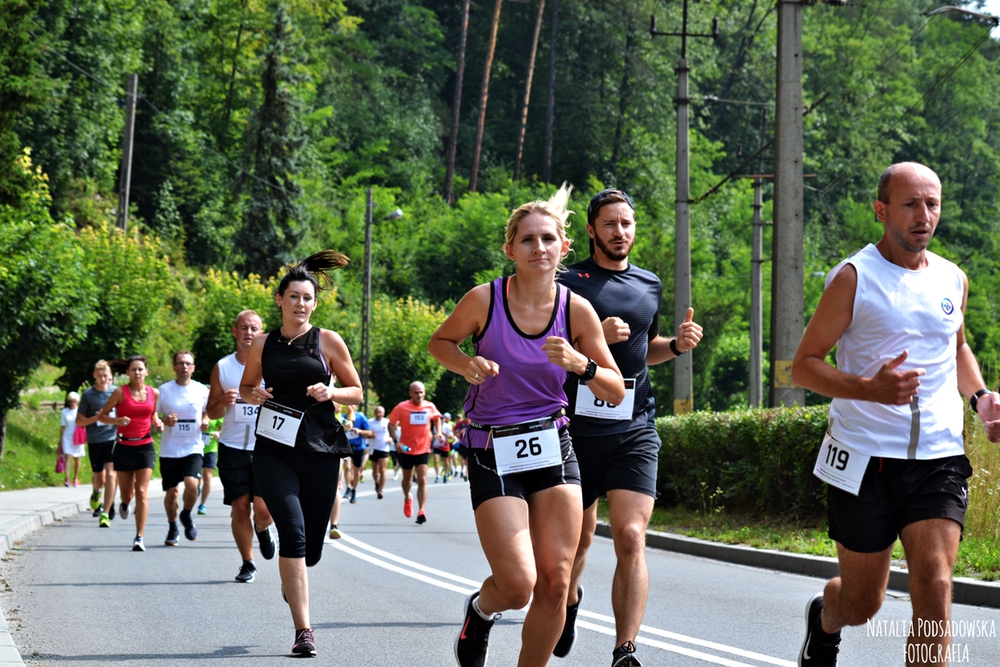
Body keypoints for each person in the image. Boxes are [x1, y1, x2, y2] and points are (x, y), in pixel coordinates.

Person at [790, 162, 1000, 667]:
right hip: (864, 459)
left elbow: (956, 348)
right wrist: (869, 389)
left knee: (936, 585)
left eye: (932, 204)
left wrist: (980, 397)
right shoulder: (853, 277)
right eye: (910, 205)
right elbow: (804, 366)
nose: (924, 216)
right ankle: (826, 616)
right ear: (882, 211)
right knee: (863, 604)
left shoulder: (953, 278)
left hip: (938, 458)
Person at [429, 186, 625, 667]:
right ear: (510, 249)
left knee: (557, 582)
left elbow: (615, 390)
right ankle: (481, 611)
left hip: (552, 443)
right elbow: (440, 343)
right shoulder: (484, 299)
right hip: (492, 447)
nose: (539, 247)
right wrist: (467, 365)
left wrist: (581, 364)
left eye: (548, 238)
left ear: (564, 247)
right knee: (518, 584)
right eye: (528, 240)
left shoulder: (576, 309)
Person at [555, 188, 702, 667]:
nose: (620, 232)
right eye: (610, 224)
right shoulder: (566, 282)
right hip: (576, 429)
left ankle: (625, 649)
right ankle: (570, 600)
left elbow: (643, 349)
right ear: (591, 230)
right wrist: (593, 334)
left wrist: (675, 346)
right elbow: (545, 347)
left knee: (631, 536)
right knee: (576, 545)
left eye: (627, 224)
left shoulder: (648, 283)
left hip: (633, 426)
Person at [240, 251, 362, 657]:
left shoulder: (328, 341)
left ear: (314, 303)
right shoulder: (263, 343)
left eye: (307, 298)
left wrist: (332, 391)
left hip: (319, 448)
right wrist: (254, 394)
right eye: (293, 296)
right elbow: (247, 387)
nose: (300, 304)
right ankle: (303, 631)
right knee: (291, 533)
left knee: (310, 551)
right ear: (280, 300)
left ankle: (291, 580)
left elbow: (356, 391)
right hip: (274, 449)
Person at [206, 310, 276, 583]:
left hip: (265, 446)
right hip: (232, 447)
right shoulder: (222, 367)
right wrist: (222, 402)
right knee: (240, 507)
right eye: (244, 328)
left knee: (264, 512)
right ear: (235, 332)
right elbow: (211, 412)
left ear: (262, 333)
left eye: (254, 328)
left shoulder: (272, 366)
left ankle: (263, 528)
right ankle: (248, 563)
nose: (249, 333)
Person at [96, 355, 163, 552]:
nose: (137, 373)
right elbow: (101, 416)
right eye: (133, 369)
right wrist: (117, 421)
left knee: (141, 491)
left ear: (146, 372)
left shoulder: (154, 393)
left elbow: (153, 414)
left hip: (145, 447)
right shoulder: (120, 392)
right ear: (127, 372)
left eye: (140, 369)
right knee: (128, 494)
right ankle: (125, 503)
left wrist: (157, 422)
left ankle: (139, 537)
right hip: (124, 447)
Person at [157, 350, 210, 546]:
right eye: (180, 363)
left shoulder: (201, 390)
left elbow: (208, 411)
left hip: (192, 447)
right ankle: (172, 527)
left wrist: (205, 420)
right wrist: (165, 421)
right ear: (174, 367)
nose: (184, 367)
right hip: (170, 449)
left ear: (193, 368)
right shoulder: (164, 390)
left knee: (192, 484)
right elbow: (154, 417)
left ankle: (186, 514)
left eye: (188, 364)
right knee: (172, 493)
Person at [388, 381, 442, 525]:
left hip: (423, 449)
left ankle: (422, 510)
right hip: (406, 449)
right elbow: (391, 424)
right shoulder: (402, 407)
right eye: (416, 392)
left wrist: (439, 432)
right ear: (410, 393)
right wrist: (396, 441)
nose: (419, 395)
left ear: (424, 393)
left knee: (422, 479)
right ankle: (407, 497)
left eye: (421, 392)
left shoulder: (430, 406)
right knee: (407, 480)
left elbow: (437, 418)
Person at [77, 360, 119, 525]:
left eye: (105, 376)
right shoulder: (88, 395)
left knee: (111, 474)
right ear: (94, 376)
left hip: (112, 438)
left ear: (110, 376)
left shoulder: (115, 392)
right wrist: (98, 417)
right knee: (99, 479)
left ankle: (107, 508)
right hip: (95, 440)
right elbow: (79, 421)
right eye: (100, 376)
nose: (103, 379)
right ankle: (96, 492)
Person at [343, 404, 372, 504]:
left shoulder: (361, 417)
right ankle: (348, 488)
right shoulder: (343, 417)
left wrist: (360, 431)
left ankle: (354, 490)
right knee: (347, 466)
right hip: (346, 447)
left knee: (357, 471)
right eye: (349, 404)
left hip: (358, 447)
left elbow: (369, 433)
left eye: (353, 404)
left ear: (356, 406)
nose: (351, 406)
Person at [366, 405, 394, 499]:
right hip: (373, 448)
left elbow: (392, 433)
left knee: (383, 469)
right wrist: (370, 436)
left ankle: (381, 490)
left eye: (380, 412)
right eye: (377, 412)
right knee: (375, 471)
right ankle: (377, 483)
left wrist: (390, 439)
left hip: (384, 448)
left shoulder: (387, 422)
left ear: (383, 413)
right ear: (374, 413)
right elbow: (366, 433)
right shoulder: (370, 422)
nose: (378, 414)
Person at [199, 417, 222, 514]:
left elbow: (223, 428)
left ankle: (202, 504)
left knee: (207, 476)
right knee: (195, 478)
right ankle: (196, 487)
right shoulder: (195, 410)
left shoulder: (215, 412)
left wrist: (219, 433)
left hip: (210, 448)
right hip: (195, 448)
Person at [59, 392, 83, 487]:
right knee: (67, 456)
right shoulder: (64, 411)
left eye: (74, 401)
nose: (72, 403)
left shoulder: (80, 411)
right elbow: (62, 426)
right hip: (67, 437)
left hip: (77, 437)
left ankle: (75, 478)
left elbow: (84, 424)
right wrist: (60, 440)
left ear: (77, 401)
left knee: (77, 458)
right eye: (70, 401)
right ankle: (67, 478)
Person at [433, 412, 454, 483]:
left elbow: (452, 436)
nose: (441, 420)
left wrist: (445, 433)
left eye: (442, 419)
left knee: (446, 461)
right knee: (436, 460)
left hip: (445, 445)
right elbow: (434, 434)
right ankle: (438, 475)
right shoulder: (435, 426)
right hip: (437, 445)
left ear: (444, 420)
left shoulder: (447, 426)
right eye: (440, 419)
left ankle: (446, 473)